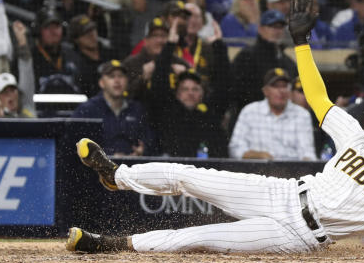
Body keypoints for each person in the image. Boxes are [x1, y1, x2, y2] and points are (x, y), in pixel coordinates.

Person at [65, 0, 364, 255]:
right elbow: (320, 98)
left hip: (296, 233)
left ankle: (107, 245)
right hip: (282, 192)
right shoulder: (354, 135)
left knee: (198, 235)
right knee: (189, 176)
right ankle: (115, 175)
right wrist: (301, 44)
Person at [148, 19, 230, 158]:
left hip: (205, 174)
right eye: (185, 89)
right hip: (174, 174)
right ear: (177, 93)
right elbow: (159, 82)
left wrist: (218, 46)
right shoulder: (169, 111)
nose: (190, 93)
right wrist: (170, 44)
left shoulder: (209, 113)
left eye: (195, 89)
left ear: (202, 93)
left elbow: (224, 85)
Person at [228, 67, 316, 160]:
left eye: (284, 86)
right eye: (275, 86)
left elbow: (308, 153)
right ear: (265, 91)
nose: (281, 91)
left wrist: (306, 164)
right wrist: (258, 156)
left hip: (291, 171)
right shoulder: (249, 112)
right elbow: (235, 149)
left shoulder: (302, 115)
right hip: (256, 170)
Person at [72, 60, 156, 156]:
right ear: (101, 83)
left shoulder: (137, 109)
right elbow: (74, 144)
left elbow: (151, 141)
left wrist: (143, 151)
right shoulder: (87, 109)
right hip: (97, 168)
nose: (117, 80)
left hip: (132, 167)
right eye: (111, 76)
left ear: (127, 81)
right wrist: (108, 157)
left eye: (121, 76)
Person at [229, 9, 296, 112]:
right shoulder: (247, 56)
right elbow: (233, 90)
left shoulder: (288, 62)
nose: (277, 31)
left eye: (280, 27)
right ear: (260, 29)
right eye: (272, 26)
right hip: (250, 117)